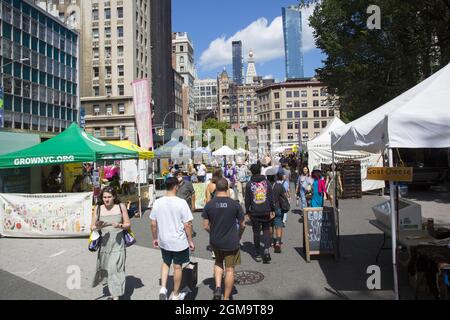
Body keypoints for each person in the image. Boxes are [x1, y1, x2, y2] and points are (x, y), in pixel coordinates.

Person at [150, 177, 195, 300]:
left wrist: (155, 238)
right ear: (176, 187)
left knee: (165, 263)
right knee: (177, 267)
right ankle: (175, 294)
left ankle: (163, 288)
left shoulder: (158, 202)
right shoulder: (181, 203)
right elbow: (187, 224)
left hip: (164, 240)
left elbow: (153, 223)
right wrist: (190, 240)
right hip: (178, 241)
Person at [202, 178, 245, 300]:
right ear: (227, 189)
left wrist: (213, 232)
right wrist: (239, 235)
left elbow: (205, 226)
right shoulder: (235, 204)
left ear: (216, 189)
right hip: (231, 240)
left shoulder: (209, 205)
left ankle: (218, 287)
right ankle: (226, 298)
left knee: (218, 262)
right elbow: (243, 224)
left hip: (215, 240)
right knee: (230, 269)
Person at [91, 186, 130, 300]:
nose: (106, 199)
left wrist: (120, 225)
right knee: (107, 269)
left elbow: (128, 224)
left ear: (114, 197)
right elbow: (92, 227)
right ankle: (114, 292)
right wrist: (98, 226)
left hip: (118, 244)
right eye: (104, 197)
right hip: (104, 245)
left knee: (115, 268)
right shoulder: (98, 208)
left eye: (109, 197)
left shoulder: (120, 206)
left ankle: (115, 296)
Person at [245, 163, 275, 264]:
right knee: (266, 230)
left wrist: (247, 211)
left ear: (252, 172)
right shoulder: (266, 183)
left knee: (256, 232)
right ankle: (266, 250)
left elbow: (247, 199)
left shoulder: (249, 184)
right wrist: (272, 209)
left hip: (254, 211)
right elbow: (271, 197)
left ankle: (257, 253)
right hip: (266, 210)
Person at [269, 173, 290, 253]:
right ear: (275, 178)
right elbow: (284, 196)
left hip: (268, 209)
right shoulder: (279, 186)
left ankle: (271, 242)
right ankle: (278, 242)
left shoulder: (265, 186)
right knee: (279, 225)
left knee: (270, 226)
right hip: (278, 208)